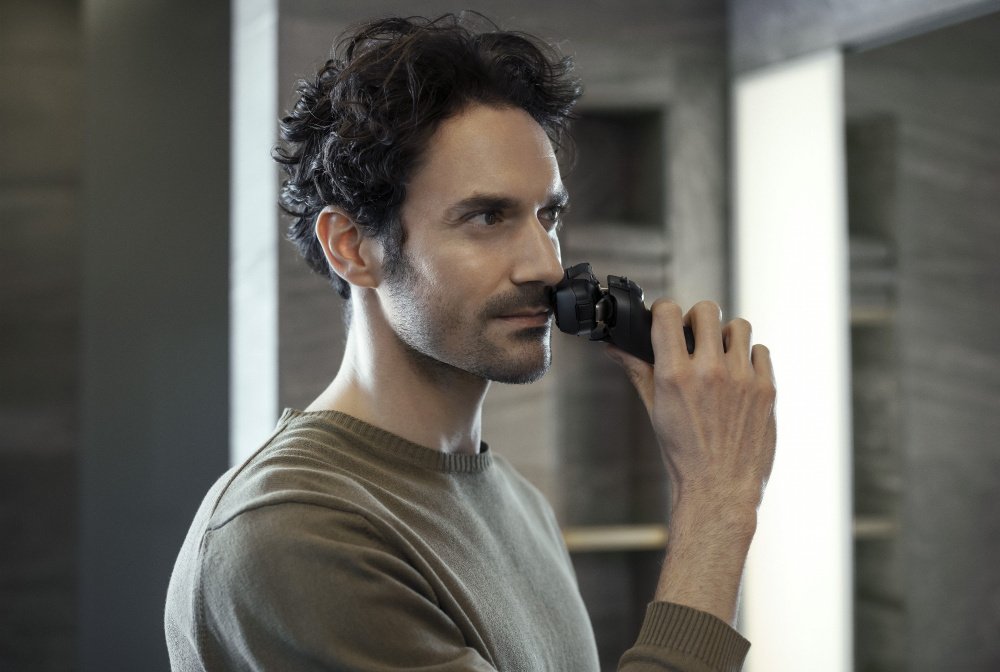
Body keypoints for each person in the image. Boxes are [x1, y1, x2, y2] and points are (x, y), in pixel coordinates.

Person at [165, 13, 776, 672]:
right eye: (487, 216)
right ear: (351, 247)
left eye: (548, 216)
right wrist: (717, 503)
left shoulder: (516, 502)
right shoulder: (295, 531)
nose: (546, 265)